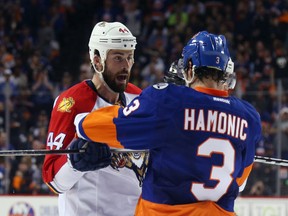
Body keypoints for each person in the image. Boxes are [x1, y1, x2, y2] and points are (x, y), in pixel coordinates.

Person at [74, 31, 262, 215]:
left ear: (189, 68)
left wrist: (80, 121)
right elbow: (240, 181)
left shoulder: (167, 101)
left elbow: (104, 127)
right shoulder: (249, 117)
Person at [42, 21, 149, 216]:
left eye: (129, 57)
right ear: (97, 60)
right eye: (118, 58)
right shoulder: (71, 102)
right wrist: (75, 163)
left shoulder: (139, 98)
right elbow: (53, 180)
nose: (126, 66)